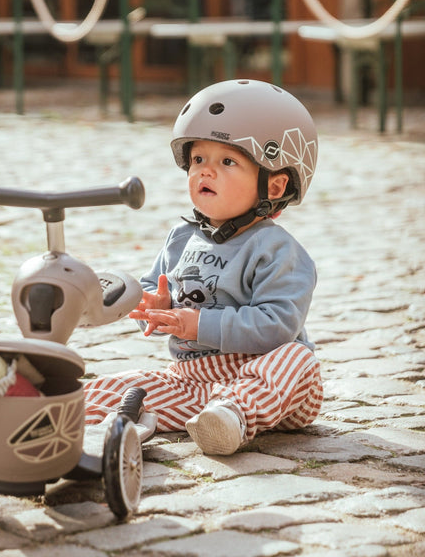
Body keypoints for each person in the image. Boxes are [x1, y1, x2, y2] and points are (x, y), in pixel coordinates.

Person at [84, 79, 323, 456]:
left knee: (298, 357)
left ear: (274, 186)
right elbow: (154, 289)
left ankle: (231, 418)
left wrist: (198, 324)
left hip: (272, 383)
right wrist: (153, 306)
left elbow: (278, 326)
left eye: (227, 161)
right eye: (198, 160)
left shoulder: (278, 250)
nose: (204, 172)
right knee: (113, 388)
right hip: (192, 380)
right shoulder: (181, 237)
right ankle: (56, 419)